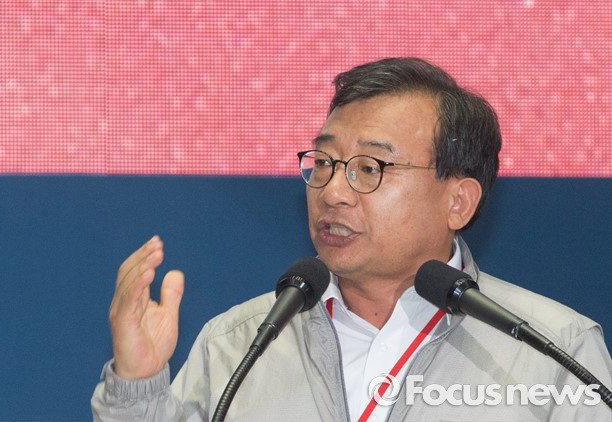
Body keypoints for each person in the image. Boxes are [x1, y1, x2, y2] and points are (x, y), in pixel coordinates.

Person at [91, 58, 612, 421]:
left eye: (370, 167)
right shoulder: (238, 345)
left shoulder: (554, 350)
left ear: (458, 201)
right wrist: (137, 386)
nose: (333, 191)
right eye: (323, 161)